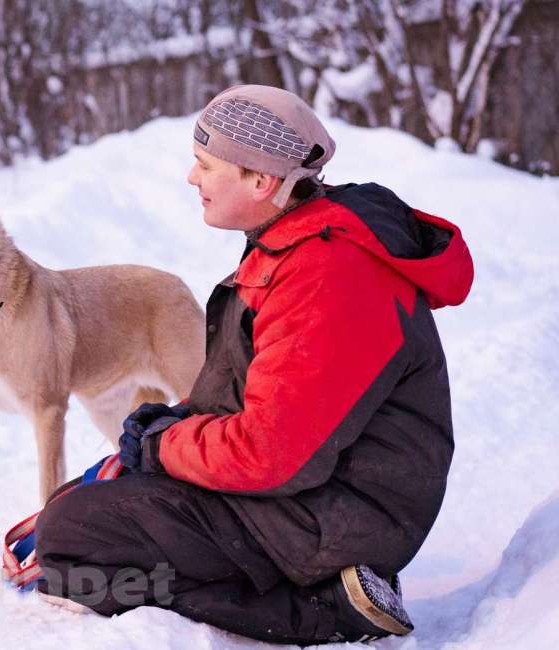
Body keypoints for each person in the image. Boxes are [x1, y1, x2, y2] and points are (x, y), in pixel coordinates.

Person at [34, 84, 474, 644]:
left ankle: (329, 605)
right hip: (320, 491)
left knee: (71, 540)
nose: (192, 178)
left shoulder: (329, 273)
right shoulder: (294, 241)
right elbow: (255, 390)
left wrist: (163, 446)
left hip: (337, 515)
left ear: (261, 181)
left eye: (204, 164)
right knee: (77, 510)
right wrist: (174, 425)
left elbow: (271, 453)